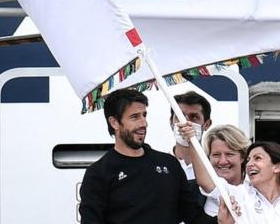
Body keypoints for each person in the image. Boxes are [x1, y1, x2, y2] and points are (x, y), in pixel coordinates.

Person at [79, 89, 216, 224]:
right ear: (114, 122)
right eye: (135, 117)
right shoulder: (98, 173)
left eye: (144, 115)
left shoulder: (169, 164)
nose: (143, 123)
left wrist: (223, 220)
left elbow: (193, 217)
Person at [180, 121, 280, 223]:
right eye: (249, 159)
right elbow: (206, 182)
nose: (250, 163)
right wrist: (193, 141)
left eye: (257, 158)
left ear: (277, 167)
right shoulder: (240, 194)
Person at [170, 91, 212, 206]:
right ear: (171, 122)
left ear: (207, 124)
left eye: (194, 117)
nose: (185, 122)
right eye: (179, 116)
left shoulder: (214, 167)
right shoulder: (159, 164)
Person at [201, 124, 251, 216]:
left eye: (229, 154)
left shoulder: (256, 190)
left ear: (243, 157)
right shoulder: (196, 192)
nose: (223, 161)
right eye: (216, 155)